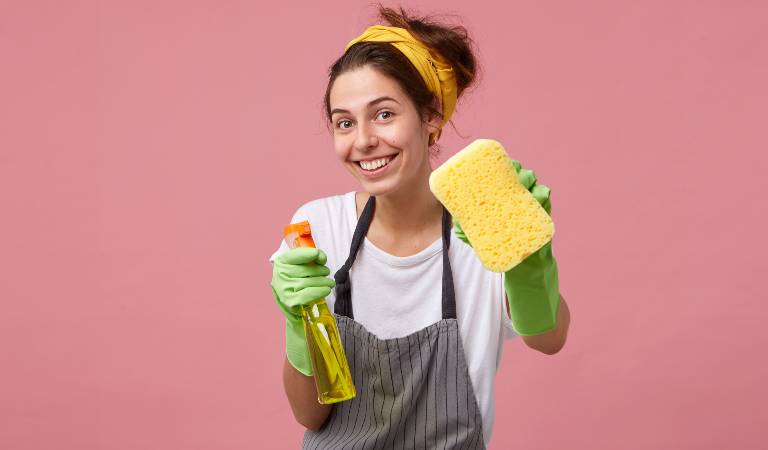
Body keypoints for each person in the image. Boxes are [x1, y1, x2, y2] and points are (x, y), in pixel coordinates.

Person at [269, 5, 570, 449]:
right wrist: (301, 327)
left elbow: (549, 338)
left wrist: (527, 259)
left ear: (430, 117)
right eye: (345, 123)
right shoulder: (316, 228)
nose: (364, 140)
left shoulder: (481, 226)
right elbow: (309, 413)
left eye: (385, 114)